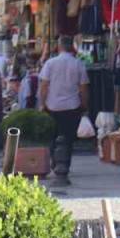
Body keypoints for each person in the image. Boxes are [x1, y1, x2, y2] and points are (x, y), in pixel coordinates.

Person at [39, 36, 89, 187]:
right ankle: (65, 166)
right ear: (72, 47)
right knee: (68, 138)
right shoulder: (78, 64)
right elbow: (83, 87)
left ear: (59, 47)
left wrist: (42, 103)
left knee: (53, 138)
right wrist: (84, 105)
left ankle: (56, 164)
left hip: (52, 106)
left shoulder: (50, 63)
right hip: (72, 106)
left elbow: (44, 85)